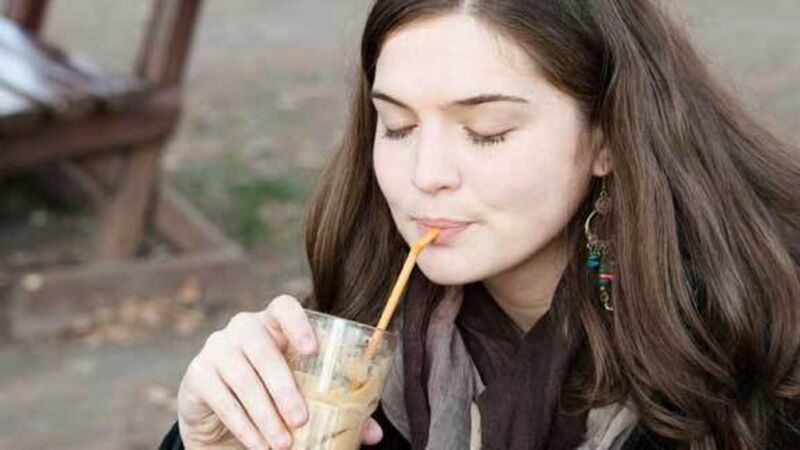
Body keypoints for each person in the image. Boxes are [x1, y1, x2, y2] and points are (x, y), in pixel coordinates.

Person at [160, 1, 800, 449]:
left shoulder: (759, 345)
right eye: (398, 127)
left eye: (487, 132)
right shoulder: (355, 349)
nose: (426, 175)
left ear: (608, 136)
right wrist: (201, 442)